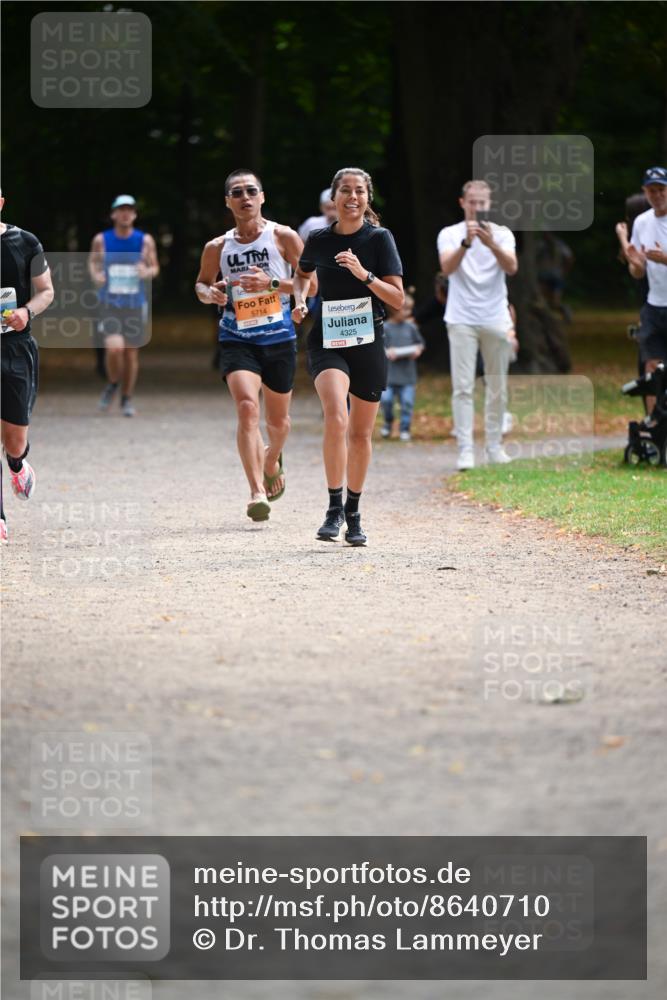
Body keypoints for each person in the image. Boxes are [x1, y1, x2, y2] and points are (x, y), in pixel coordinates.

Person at [292, 167, 404, 546]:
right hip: (327, 338)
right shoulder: (319, 238)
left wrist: (364, 274)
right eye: (345, 191)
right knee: (336, 415)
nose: (352, 197)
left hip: (368, 339)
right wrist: (298, 301)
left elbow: (398, 299)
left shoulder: (379, 239)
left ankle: (354, 513)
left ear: (367, 198)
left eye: (359, 191)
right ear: (333, 199)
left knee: (360, 433)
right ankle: (333, 508)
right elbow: (302, 275)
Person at [195, 168, 303, 522]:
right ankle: (256, 491)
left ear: (262, 197)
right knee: (246, 408)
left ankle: (272, 459)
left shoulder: (283, 237)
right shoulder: (217, 247)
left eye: (251, 191)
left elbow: (311, 285)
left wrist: (272, 283)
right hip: (236, 336)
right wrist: (209, 294)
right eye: (237, 193)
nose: (245, 198)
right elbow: (200, 285)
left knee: (279, 422)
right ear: (228, 202)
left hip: (279, 336)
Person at [437, 179, 518, 470]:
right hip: (460, 319)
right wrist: (467, 243)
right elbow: (446, 268)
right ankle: (465, 451)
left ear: (490, 204)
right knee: (463, 387)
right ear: (463, 203)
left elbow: (512, 267)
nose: (477, 207)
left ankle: (494, 447)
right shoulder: (450, 234)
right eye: (472, 202)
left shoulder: (503, 234)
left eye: (482, 202)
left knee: (497, 386)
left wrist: (489, 242)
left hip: (495, 317)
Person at [1, 192, 55, 542]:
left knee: (14, 438)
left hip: (15, 348)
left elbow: (46, 291)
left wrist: (26, 312)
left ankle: (18, 463)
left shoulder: (25, 241)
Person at [89, 195, 159, 417]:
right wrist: (97, 275)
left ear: (135, 214)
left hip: (135, 303)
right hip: (109, 302)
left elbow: (154, 267)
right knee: (114, 349)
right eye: (121, 209)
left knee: (130, 354)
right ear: (113, 214)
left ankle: (126, 397)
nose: (125, 213)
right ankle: (112, 382)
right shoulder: (102, 239)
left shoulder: (145, 240)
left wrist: (146, 272)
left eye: (129, 209)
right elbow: (93, 263)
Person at [626, 166, 667, 413]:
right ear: (645, 192)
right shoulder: (641, 222)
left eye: (661, 190)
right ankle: (654, 422)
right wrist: (637, 265)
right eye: (651, 191)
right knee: (652, 366)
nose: (657, 195)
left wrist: (664, 259)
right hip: (654, 305)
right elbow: (638, 271)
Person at [380, 292, 425, 441]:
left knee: (407, 403)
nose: (408, 313)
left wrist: (417, 350)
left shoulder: (411, 327)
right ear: (394, 308)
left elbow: (420, 343)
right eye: (405, 309)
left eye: (409, 309)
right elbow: (380, 349)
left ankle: (405, 428)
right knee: (386, 400)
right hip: (390, 376)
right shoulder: (385, 328)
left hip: (407, 376)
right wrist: (388, 352)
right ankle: (388, 422)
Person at [536, 233, 575, 322]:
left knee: (552, 301)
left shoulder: (556, 245)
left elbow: (569, 259)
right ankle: (556, 315)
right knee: (544, 300)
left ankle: (565, 313)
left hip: (551, 276)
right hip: (547, 276)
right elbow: (569, 258)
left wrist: (564, 271)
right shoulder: (556, 244)